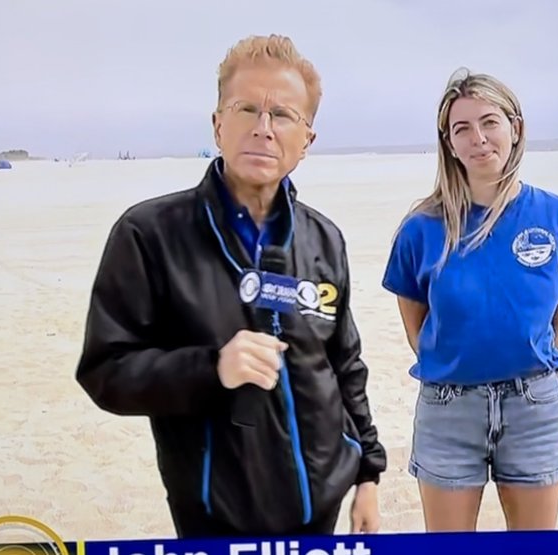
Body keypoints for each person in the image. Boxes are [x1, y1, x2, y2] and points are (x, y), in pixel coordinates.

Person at [75, 34, 386, 538]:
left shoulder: (323, 239)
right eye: (247, 109)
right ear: (218, 125)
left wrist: (367, 472)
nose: (263, 129)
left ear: (306, 142)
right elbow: (105, 370)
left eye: (282, 115)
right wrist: (212, 368)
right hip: (212, 514)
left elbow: (344, 363)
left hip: (321, 502)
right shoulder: (149, 234)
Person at [381, 68, 558, 532]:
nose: (478, 138)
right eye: (462, 128)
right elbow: (414, 317)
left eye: (490, 122)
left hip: (534, 404)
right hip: (448, 408)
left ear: (515, 128)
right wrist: (455, 362)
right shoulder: (421, 228)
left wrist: (541, 347)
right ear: (449, 143)